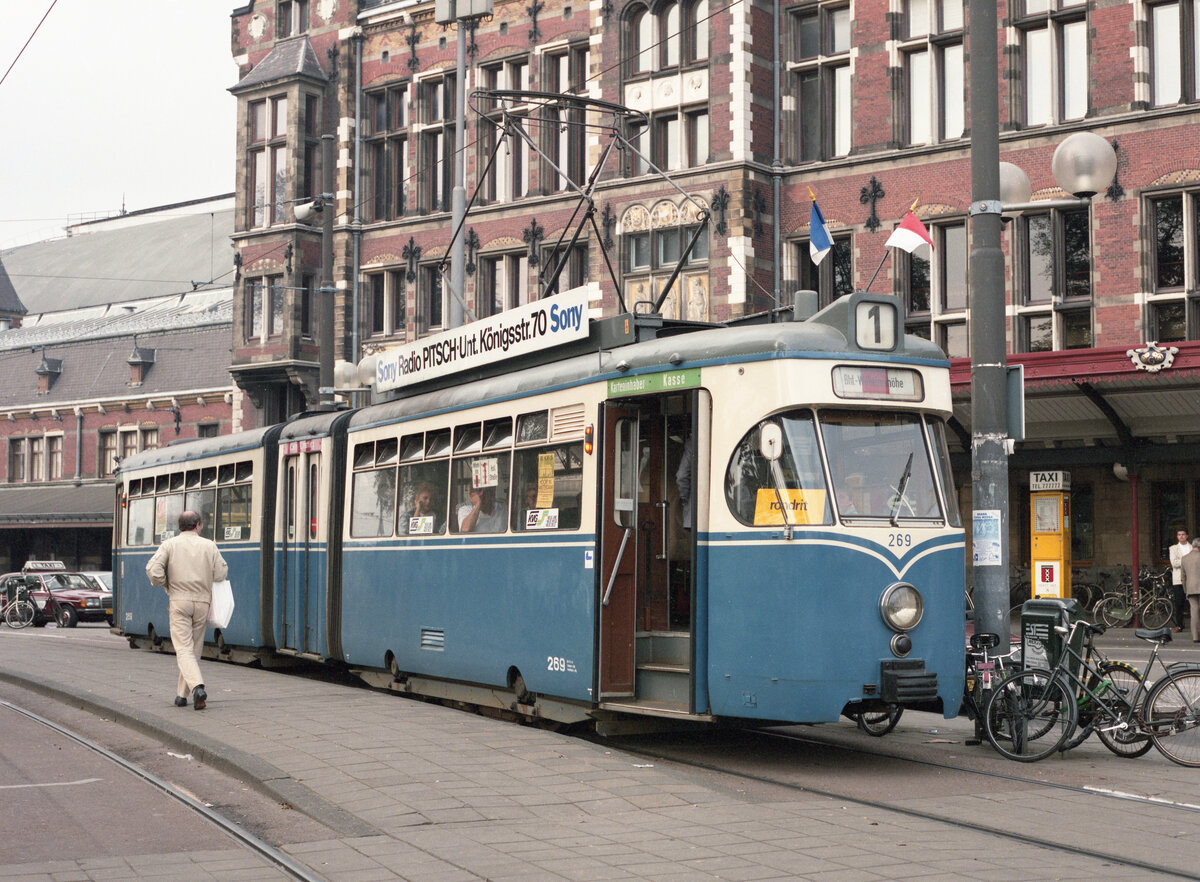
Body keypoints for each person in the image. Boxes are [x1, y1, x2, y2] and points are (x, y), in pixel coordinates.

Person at [146, 510, 228, 710]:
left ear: (179, 526)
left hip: (179, 600)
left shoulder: (169, 545)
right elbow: (221, 573)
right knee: (193, 649)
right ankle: (181, 695)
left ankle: (197, 687)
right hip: (202, 602)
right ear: (198, 525)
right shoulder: (209, 545)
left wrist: (165, 583)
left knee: (183, 649)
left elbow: (152, 570)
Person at [1170, 527, 1191, 632]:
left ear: (1187, 536)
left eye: (1183, 534)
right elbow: (1174, 563)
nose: (1181, 536)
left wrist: (1181, 560)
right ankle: (1179, 625)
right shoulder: (1173, 548)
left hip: (1192, 579)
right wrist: (1187, 559)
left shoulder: (1193, 547)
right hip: (1178, 579)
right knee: (1179, 603)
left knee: (1194, 603)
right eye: (1179, 535)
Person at [1180, 538, 1200, 642]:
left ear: (1192, 546)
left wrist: (1185, 591)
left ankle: (1195, 637)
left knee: (1194, 612)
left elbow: (1183, 577)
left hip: (1191, 588)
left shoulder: (1184, 558)